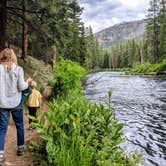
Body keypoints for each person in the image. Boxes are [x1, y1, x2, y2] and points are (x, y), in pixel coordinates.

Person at [0, 48, 32, 164]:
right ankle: (21, 148)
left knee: (2, 129)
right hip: (16, 102)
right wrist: (27, 82)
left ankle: (0, 154)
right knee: (19, 125)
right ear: (13, 56)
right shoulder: (18, 69)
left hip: (2, 103)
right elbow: (22, 87)